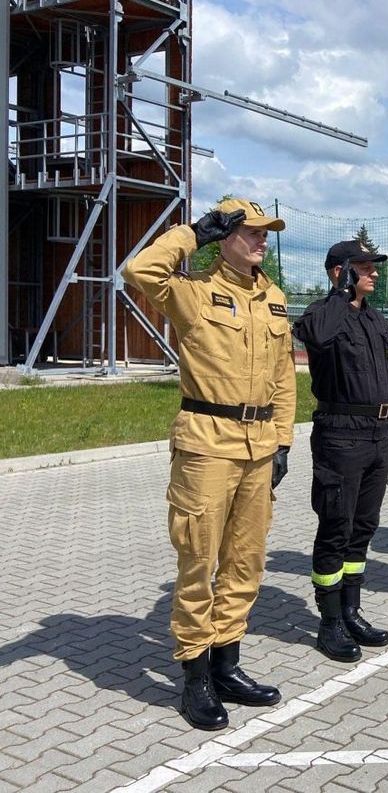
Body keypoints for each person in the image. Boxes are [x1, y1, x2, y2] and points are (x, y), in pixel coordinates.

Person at [123, 198, 296, 731]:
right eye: (252, 231)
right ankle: (195, 678)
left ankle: (227, 666)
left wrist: (283, 440)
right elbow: (138, 271)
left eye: (266, 232)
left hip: (258, 447)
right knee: (198, 562)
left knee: (246, 563)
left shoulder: (274, 298)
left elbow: (283, 377)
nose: (262, 239)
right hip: (206, 444)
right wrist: (193, 234)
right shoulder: (193, 292)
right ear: (226, 236)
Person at [292, 240, 388, 663]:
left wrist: (387, 434)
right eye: (365, 267)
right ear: (341, 271)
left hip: (377, 434)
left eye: (372, 267)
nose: (374, 273)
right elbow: (315, 337)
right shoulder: (322, 312)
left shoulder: (375, 317)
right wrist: (341, 293)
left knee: (363, 527)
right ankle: (330, 621)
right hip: (340, 435)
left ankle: (351, 611)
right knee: (336, 528)